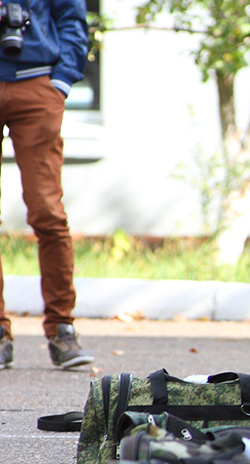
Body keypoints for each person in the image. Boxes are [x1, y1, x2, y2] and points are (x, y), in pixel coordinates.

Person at [0, 0, 94, 370]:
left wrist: (62, 79)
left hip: (38, 84)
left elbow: (71, 17)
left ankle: (62, 329)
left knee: (48, 212)